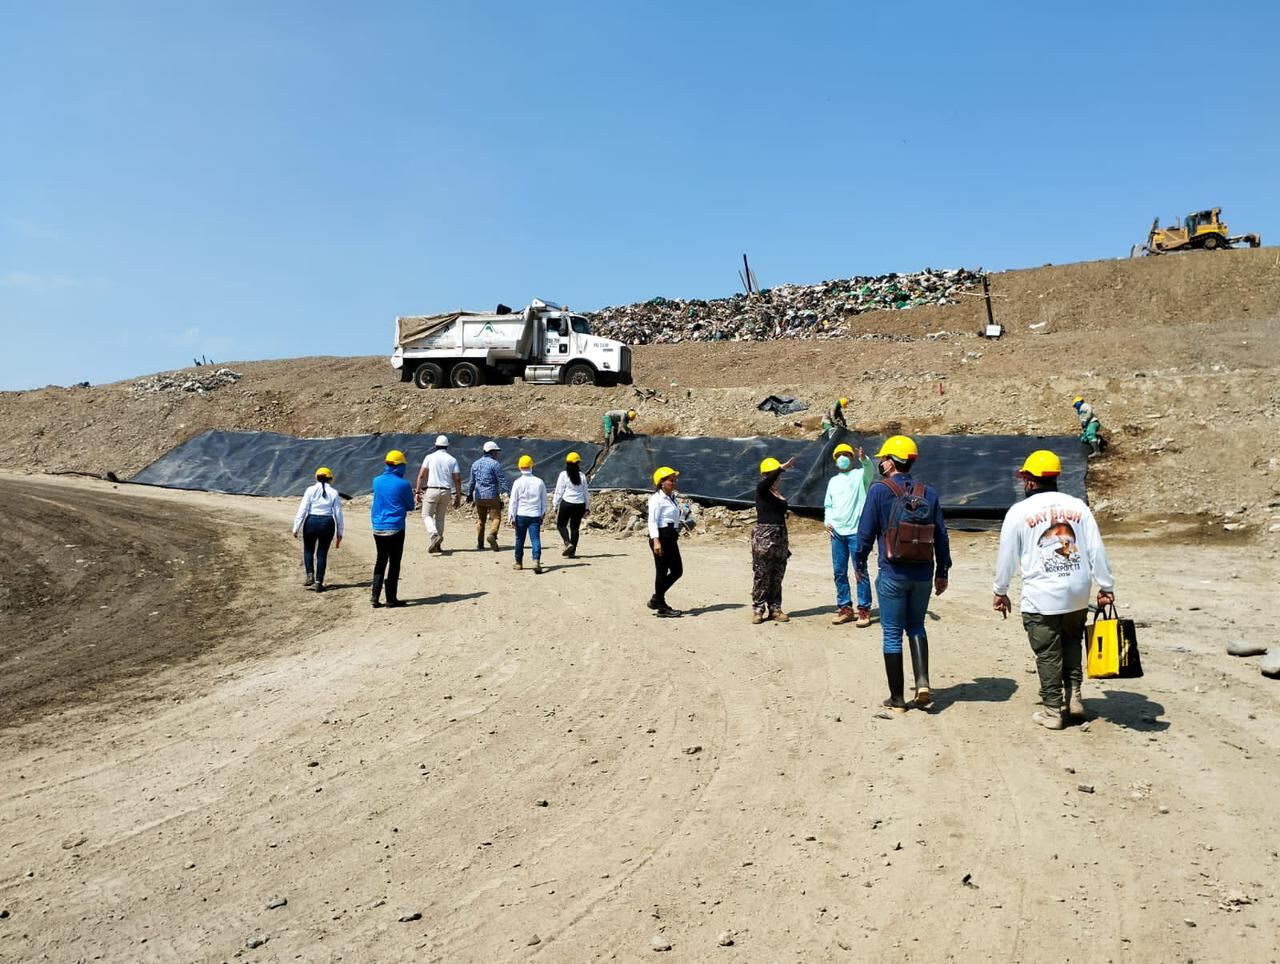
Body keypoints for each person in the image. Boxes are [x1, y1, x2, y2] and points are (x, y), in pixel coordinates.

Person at [993, 450, 1116, 730]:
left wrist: (1000, 591)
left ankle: (1052, 710)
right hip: (1078, 591)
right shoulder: (1078, 507)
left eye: (1024, 478)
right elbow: (1096, 548)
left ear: (1031, 482)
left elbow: (1007, 557)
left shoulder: (1019, 512)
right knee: (1072, 641)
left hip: (1042, 595)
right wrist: (1105, 586)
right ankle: (1074, 699)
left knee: (1048, 651)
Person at [855, 435, 952, 713]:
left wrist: (859, 563)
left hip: (893, 572)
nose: (881, 463)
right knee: (917, 626)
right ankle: (922, 683)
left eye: (883, 458)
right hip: (923, 573)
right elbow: (942, 536)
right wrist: (942, 570)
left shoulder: (879, 491)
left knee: (892, 633)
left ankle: (897, 699)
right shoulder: (928, 492)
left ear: (891, 461)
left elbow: (865, 532)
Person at [824, 443, 875, 626]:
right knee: (839, 572)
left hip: (856, 533)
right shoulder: (833, 482)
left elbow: (869, 470)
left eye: (846, 454)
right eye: (839, 455)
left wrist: (864, 459)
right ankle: (845, 608)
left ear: (852, 458)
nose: (843, 457)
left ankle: (863, 609)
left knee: (860, 570)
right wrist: (827, 521)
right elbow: (828, 505)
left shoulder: (859, 476)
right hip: (837, 533)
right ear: (835, 460)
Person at [750, 454, 797, 623]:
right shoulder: (762, 490)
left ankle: (775, 608)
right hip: (764, 537)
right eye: (772, 474)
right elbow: (766, 483)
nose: (777, 477)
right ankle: (758, 609)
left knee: (777, 574)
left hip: (780, 537)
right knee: (762, 574)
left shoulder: (777, 493)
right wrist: (781, 467)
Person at [370, 449, 416, 608]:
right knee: (394, 562)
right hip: (395, 528)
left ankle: (374, 597)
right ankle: (391, 599)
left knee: (380, 561)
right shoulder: (404, 484)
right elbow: (410, 506)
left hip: (378, 528)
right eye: (403, 465)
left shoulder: (376, 481)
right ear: (398, 466)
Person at [291, 466, 344, 592]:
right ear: (330, 479)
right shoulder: (334, 493)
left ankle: (310, 574)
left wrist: (296, 527)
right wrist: (340, 531)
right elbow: (338, 513)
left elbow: (302, 509)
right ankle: (319, 582)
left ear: (316, 478)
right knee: (322, 553)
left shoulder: (310, 490)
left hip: (311, 521)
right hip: (327, 523)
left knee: (308, 550)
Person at [647, 466, 684, 617]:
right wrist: (656, 541)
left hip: (670, 535)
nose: (674, 483)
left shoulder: (671, 498)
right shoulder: (656, 499)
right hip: (661, 536)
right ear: (661, 482)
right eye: (671, 480)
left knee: (677, 570)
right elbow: (652, 521)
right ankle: (661, 605)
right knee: (662, 571)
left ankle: (657, 598)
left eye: (674, 480)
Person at [415, 434, 462, 553]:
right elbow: (457, 479)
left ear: (436, 445)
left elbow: (421, 475)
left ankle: (434, 535)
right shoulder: (452, 459)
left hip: (432, 489)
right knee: (440, 518)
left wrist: (417, 491)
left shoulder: (429, 457)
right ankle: (437, 545)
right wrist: (458, 495)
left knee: (426, 515)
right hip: (446, 491)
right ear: (447, 446)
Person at [508, 454, 547, 573]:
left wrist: (512, 516)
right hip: (535, 515)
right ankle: (536, 560)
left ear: (519, 467)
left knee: (520, 539)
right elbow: (543, 500)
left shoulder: (517, 482)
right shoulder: (539, 482)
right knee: (535, 539)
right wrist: (542, 513)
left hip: (521, 515)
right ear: (532, 466)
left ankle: (518, 562)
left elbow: (513, 501)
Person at [467, 440, 508, 551]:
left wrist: (470, 494)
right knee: (496, 518)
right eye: (496, 452)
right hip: (492, 495)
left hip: (479, 496)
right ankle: (492, 534)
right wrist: (505, 493)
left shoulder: (475, 464)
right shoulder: (495, 464)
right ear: (492, 452)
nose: (497, 454)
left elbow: (471, 482)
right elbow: (502, 480)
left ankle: (480, 543)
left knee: (481, 519)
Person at [552, 451, 590, 558]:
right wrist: (587, 507)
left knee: (561, 525)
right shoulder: (582, 476)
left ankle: (567, 543)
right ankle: (572, 552)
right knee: (575, 528)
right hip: (580, 504)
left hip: (567, 503)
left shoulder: (563, 475)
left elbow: (559, 491)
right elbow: (585, 492)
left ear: (567, 463)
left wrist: (555, 505)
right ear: (578, 463)